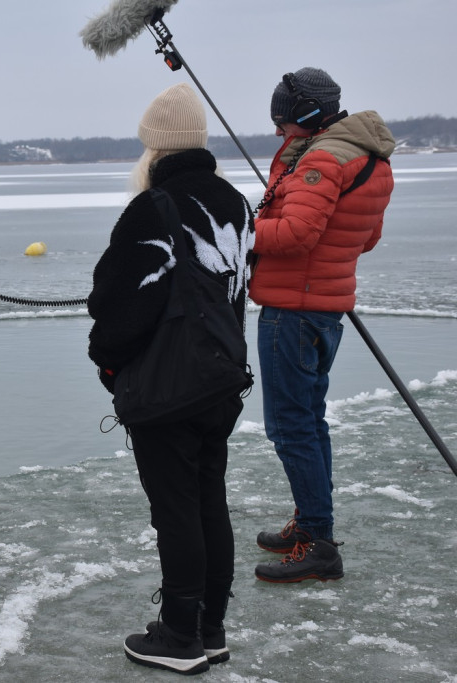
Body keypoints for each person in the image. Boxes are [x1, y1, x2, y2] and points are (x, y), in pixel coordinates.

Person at [87, 83, 254, 675]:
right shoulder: (235, 202)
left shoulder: (153, 208)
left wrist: (106, 361)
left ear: (156, 147)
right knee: (210, 500)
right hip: (221, 382)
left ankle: (180, 635)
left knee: (176, 509)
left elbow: (117, 305)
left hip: (167, 389)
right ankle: (211, 629)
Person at [250, 68, 395, 583]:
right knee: (309, 421)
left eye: (283, 121)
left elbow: (294, 235)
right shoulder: (369, 159)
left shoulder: (321, 160)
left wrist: (246, 229)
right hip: (324, 309)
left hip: (293, 309)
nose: (277, 132)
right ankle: (311, 524)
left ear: (307, 116)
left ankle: (319, 544)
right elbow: (366, 239)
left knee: (290, 427)